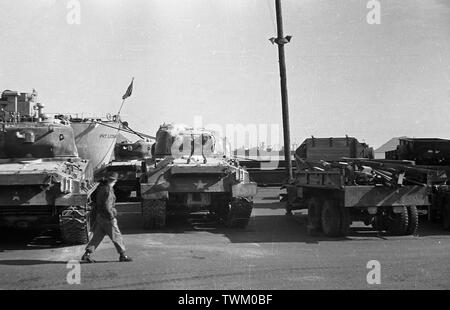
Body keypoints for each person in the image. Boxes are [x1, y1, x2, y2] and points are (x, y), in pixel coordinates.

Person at [81, 172, 132, 263]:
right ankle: (123, 255)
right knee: (116, 236)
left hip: (100, 216)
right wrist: (111, 216)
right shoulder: (109, 190)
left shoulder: (101, 188)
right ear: (114, 181)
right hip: (107, 217)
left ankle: (87, 254)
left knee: (97, 236)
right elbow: (107, 205)